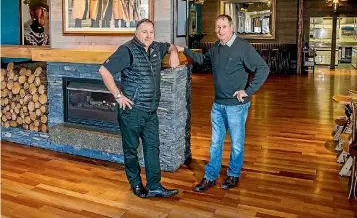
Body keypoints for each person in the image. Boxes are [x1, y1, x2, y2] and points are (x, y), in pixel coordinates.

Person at [177, 14, 269, 192]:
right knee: (215, 143)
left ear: (231, 27)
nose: (220, 30)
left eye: (224, 26)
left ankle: (233, 174)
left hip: (236, 105)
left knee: (236, 143)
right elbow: (203, 61)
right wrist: (183, 50)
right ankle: (210, 176)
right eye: (217, 27)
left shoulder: (242, 46)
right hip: (217, 104)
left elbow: (263, 68)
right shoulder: (217, 46)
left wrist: (248, 91)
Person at [99, 19, 180, 199]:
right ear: (137, 33)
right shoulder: (127, 50)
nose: (148, 35)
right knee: (131, 150)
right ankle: (136, 184)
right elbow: (104, 71)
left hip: (150, 112)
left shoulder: (155, 48)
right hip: (132, 111)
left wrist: (173, 52)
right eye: (144, 32)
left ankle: (154, 185)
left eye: (151, 32)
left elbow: (171, 46)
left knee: (152, 148)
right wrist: (118, 96)